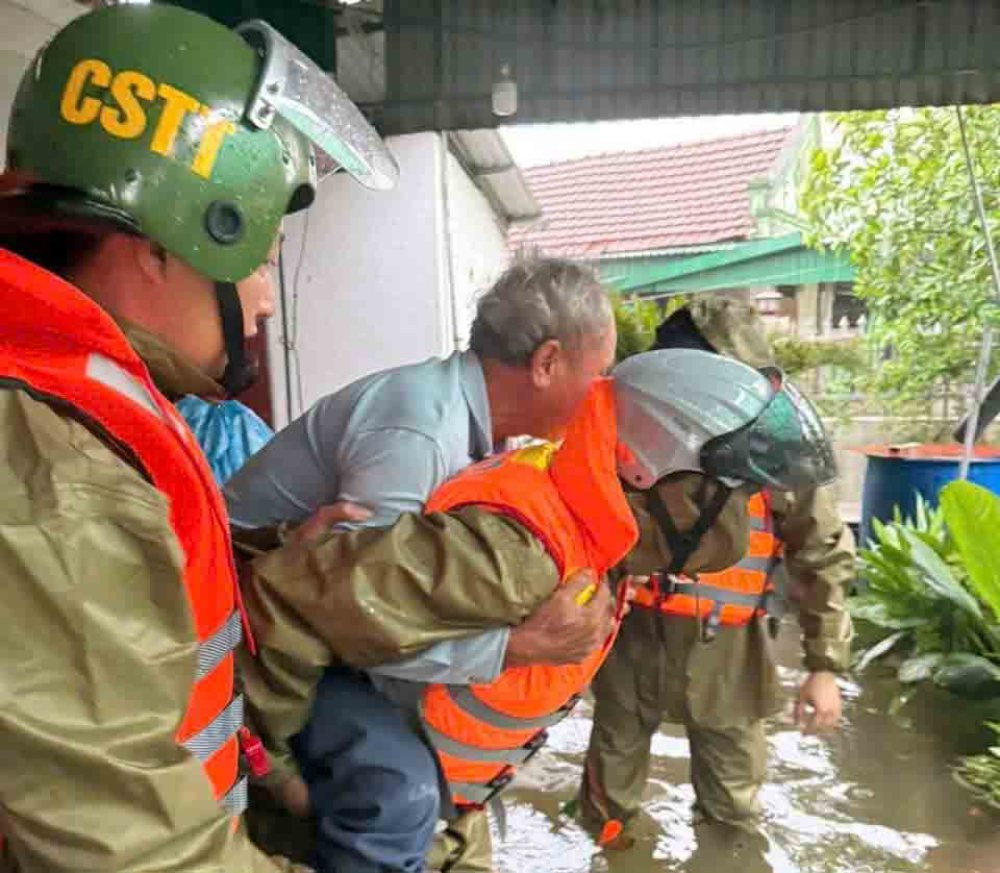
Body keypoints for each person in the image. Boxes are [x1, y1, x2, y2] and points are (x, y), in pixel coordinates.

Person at [0, 4, 538, 871]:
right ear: (170, 237)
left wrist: (276, 558)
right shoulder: (57, 465)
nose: (266, 296)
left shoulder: (74, 407)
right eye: (258, 254)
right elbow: (142, 857)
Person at [226, 257, 622, 872]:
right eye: (599, 373)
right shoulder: (419, 432)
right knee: (400, 790)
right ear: (546, 363)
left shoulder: (475, 426)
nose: (602, 395)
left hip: (300, 615)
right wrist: (512, 650)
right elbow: (354, 615)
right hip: (246, 630)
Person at [578, 296, 856, 854]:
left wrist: (825, 668)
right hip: (630, 645)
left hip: (728, 654)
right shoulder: (629, 430)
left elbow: (821, 555)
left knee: (731, 814)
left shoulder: (777, 453)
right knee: (605, 807)